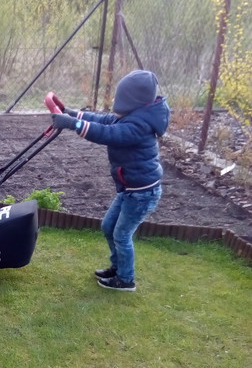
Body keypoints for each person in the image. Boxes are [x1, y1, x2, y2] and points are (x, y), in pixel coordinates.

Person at [52, 69, 170, 291]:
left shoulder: (139, 125)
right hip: (130, 189)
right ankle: (118, 268)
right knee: (108, 226)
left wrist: (74, 125)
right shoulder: (133, 115)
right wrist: (72, 114)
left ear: (132, 100)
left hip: (142, 193)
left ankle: (126, 279)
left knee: (122, 234)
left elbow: (109, 134)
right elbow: (104, 120)